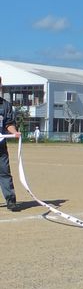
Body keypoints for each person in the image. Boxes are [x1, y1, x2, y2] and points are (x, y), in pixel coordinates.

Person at [0, 76, 21, 211]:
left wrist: (15, 132)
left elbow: (8, 123)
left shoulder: (5, 105)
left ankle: (10, 200)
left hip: (0, 146)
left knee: (4, 172)